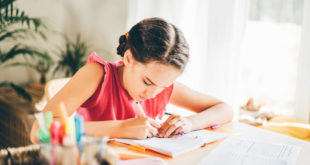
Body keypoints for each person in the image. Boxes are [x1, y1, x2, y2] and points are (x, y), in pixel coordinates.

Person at [30, 17, 233, 142]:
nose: (152, 93)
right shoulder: (97, 75)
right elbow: (39, 131)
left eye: (165, 86)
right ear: (128, 58)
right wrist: (119, 128)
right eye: (147, 82)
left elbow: (225, 109)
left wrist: (189, 122)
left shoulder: (160, 86)